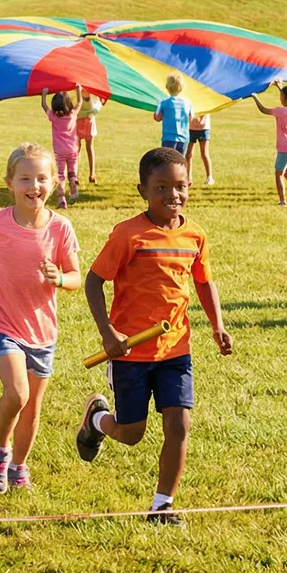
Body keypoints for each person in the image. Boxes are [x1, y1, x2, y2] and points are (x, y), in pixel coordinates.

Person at [74, 147, 233, 523]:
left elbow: (204, 282)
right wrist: (108, 332)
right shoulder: (129, 235)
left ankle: (162, 505)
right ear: (143, 190)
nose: (172, 196)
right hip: (130, 351)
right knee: (131, 433)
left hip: (176, 349)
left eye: (180, 187)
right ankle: (96, 419)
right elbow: (94, 281)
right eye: (161, 187)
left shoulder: (195, 235)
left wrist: (217, 325)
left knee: (179, 424)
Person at [0, 143, 81, 494]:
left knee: (32, 408)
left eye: (42, 178)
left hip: (42, 331)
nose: (34, 186)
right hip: (1, 324)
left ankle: (19, 466)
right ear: (10, 182)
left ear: (53, 183)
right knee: (17, 393)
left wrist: (60, 278)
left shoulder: (60, 228)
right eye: (25, 178)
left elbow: (76, 276)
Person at [251, 84, 287, 205]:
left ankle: (282, 200)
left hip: (286, 148)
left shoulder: (280, 111)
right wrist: (280, 87)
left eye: (281, 96)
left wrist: (255, 97)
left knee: (279, 174)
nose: (280, 98)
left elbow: (263, 110)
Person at [41, 87, 81, 207]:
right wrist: (78, 89)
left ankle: (61, 200)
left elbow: (44, 106)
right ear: (68, 104)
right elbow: (79, 103)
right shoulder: (72, 115)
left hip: (59, 151)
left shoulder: (54, 117)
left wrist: (44, 94)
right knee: (72, 171)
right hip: (73, 149)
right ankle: (73, 182)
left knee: (60, 176)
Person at [153, 75, 192, 156]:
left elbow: (157, 117)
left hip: (168, 138)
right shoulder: (187, 103)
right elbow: (190, 118)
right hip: (183, 138)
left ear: (167, 87)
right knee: (181, 162)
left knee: (168, 162)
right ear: (182, 87)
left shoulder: (163, 102)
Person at [76, 89, 105, 183]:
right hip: (78, 121)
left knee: (89, 147)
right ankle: (75, 175)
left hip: (89, 122)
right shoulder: (77, 91)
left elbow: (97, 104)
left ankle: (92, 174)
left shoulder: (93, 93)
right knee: (77, 149)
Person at [185, 108, 214, 185]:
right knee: (188, 154)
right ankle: (188, 177)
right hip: (190, 128)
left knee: (204, 154)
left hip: (204, 128)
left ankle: (209, 177)